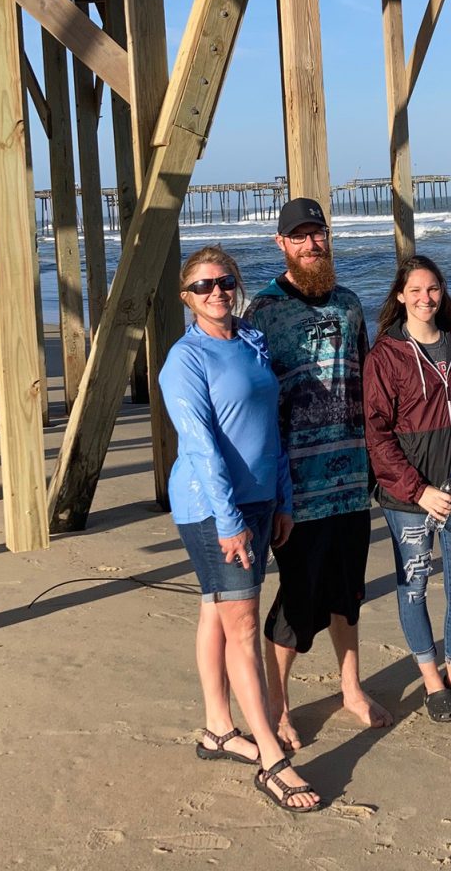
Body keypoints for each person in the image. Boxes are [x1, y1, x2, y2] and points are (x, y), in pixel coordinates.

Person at [158, 246, 322, 812]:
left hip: (257, 501)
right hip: (212, 507)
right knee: (243, 621)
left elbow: (270, 428)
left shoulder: (251, 342)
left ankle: (217, 728)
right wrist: (230, 522)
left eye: (224, 281)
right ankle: (273, 759)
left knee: (217, 608)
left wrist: (282, 497)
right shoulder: (185, 359)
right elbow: (201, 448)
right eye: (203, 286)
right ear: (187, 298)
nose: (217, 292)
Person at [244, 198, 392, 750]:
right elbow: (254, 400)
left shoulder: (352, 305)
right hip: (296, 487)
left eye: (318, 234)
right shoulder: (263, 311)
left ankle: (350, 688)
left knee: (346, 593)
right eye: (300, 236)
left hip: (351, 479)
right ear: (281, 244)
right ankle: (277, 705)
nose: (312, 244)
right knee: (299, 598)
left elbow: (367, 385)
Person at [363, 255, 451, 723]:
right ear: (400, 296)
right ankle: (431, 680)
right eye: (415, 290)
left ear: (443, 293)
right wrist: (418, 492)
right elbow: (377, 434)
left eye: (433, 289)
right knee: (414, 585)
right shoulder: (386, 355)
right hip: (411, 500)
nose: (425, 298)